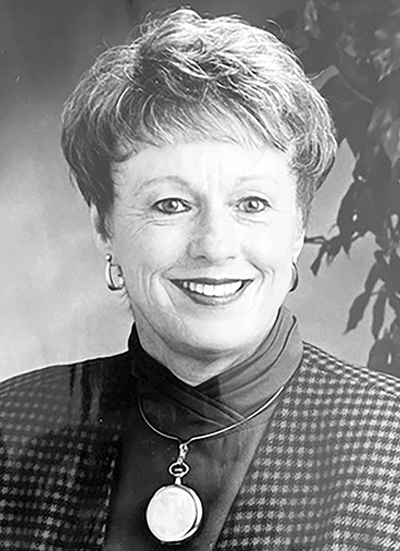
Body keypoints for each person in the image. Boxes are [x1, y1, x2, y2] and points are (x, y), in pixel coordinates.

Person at [1, 7, 400, 550]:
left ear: (297, 230)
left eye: (252, 203)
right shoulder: (10, 426)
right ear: (104, 226)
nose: (214, 244)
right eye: (170, 204)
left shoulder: (391, 442)